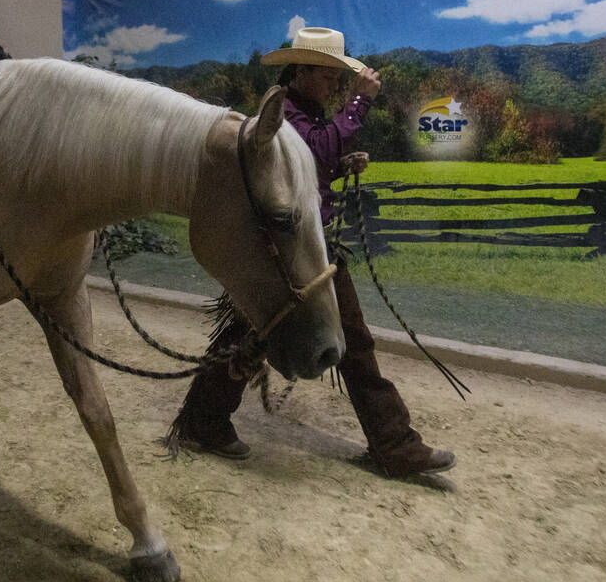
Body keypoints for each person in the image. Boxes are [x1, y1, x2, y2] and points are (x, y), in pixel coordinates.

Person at [169, 27, 455, 479]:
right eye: (329, 78)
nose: (336, 88)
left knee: (318, 340)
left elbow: (310, 167)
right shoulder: (283, 113)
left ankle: (205, 422)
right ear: (301, 71)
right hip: (285, 255)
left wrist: (338, 167)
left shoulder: (309, 111)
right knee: (305, 340)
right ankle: (392, 445)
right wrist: (359, 104)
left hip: (304, 248)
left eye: (340, 81)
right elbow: (314, 147)